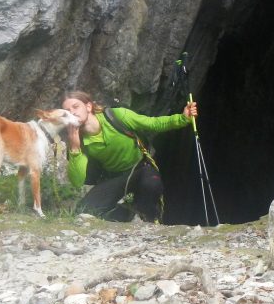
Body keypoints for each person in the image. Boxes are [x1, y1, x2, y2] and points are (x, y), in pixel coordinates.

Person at [61, 90, 197, 222]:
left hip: (140, 169)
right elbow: (77, 181)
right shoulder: (79, 141)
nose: (72, 112)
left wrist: (182, 118)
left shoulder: (116, 116)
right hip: (114, 177)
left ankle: (149, 218)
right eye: (67, 111)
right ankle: (124, 212)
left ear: (88, 106)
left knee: (151, 184)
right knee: (84, 210)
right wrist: (74, 147)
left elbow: (153, 123)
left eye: (75, 106)